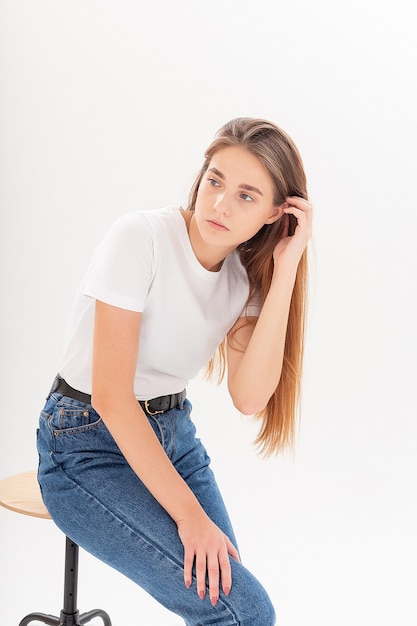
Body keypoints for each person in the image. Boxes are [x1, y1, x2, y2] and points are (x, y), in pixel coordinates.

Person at [37, 117, 312, 625]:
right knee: (243, 613)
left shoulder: (241, 282)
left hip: (174, 437)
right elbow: (112, 398)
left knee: (230, 606)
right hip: (85, 443)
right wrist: (191, 519)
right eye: (215, 180)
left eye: (247, 196)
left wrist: (287, 266)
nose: (221, 203)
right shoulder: (140, 237)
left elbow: (250, 398)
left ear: (278, 214)